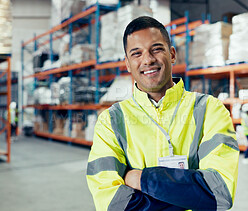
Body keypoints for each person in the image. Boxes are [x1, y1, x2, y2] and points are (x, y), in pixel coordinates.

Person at [86, 16, 239, 210]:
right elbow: (111, 202)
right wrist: (188, 195)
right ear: (127, 64)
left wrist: (141, 179)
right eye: (136, 53)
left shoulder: (209, 110)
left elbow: (220, 193)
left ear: (172, 54)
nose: (148, 59)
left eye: (156, 49)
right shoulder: (111, 122)